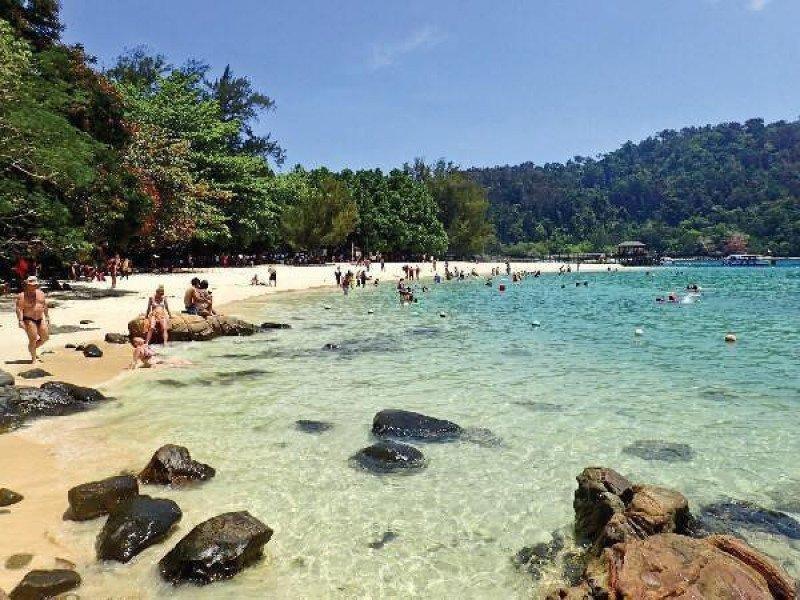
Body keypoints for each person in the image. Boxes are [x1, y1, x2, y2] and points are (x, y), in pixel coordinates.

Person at [16, 275, 49, 363]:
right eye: (31, 285)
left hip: (40, 318)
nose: (34, 286)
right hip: (29, 319)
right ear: (27, 285)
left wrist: (47, 316)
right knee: (33, 338)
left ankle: (32, 348)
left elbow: (44, 305)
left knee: (45, 337)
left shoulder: (41, 293)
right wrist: (20, 320)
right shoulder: (22, 296)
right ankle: (33, 358)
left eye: (35, 285)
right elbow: (19, 309)